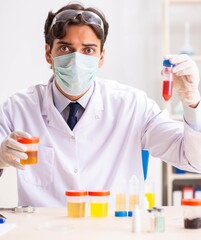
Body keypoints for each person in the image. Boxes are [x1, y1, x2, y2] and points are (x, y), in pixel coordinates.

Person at [0, 2, 201, 207]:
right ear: (48, 54)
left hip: (113, 231)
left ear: (101, 57)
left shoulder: (133, 106)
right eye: (65, 48)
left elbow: (194, 160)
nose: (76, 60)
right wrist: (0, 157)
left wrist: (192, 102)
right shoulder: (18, 108)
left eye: (88, 50)